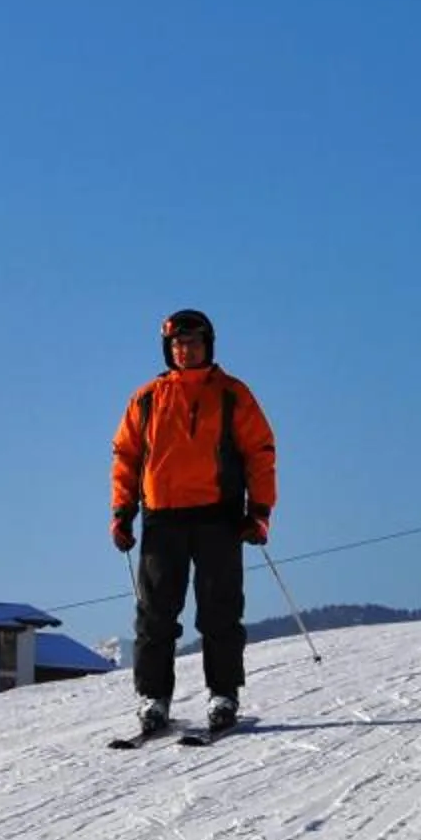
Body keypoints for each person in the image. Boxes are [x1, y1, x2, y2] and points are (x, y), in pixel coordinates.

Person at [111, 308, 279, 737]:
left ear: (209, 345)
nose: (186, 351)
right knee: (155, 615)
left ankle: (223, 695)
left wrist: (259, 512)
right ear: (169, 349)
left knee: (219, 611)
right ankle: (154, 699)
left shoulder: (231, 394)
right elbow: (126, 457)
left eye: (194, 343)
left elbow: (260, 451)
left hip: (218, 518)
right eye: (178, 345)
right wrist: (121, 511)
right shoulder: (147, 398)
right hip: (161, 518)